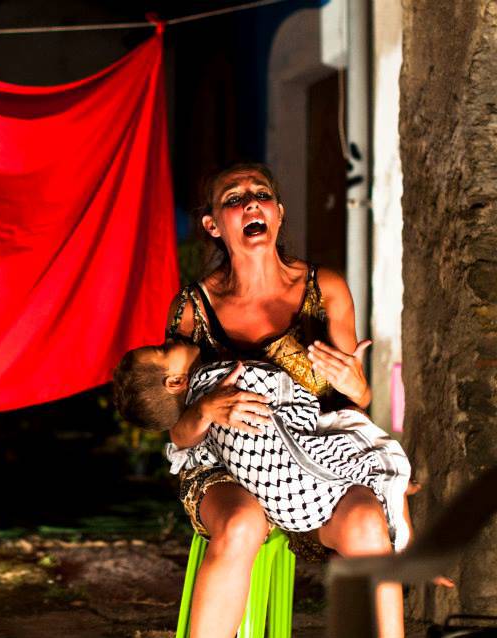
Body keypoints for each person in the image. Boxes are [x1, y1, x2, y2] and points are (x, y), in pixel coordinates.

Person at [159, 162, 403, 638]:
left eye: (261, 194)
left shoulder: (324, 289)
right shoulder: (191, 309)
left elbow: (351, 409)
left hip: (312, 465)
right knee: (241, 525)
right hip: (225, 469)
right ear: (212, 224)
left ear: (278, 212)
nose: (252, 202)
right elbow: (177, 432)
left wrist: (358, 387)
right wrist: (206, 409)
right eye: (234, 199)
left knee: (368, 526)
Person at [112, 340, 412, 551]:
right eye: (164, 350)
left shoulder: (202, 402)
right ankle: (400, 521)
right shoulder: (215, 378)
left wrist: (356, 390)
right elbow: (283, 396)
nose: (170, 342)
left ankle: (392, 500)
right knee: (372, 450)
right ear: (175, 382)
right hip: (306, 491)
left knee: (362, 456)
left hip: (286, 508)